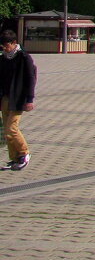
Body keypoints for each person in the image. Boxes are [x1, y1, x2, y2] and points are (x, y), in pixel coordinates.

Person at [0, 29, 36, 171]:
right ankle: (14, 158)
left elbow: (31, 78)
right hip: (5, 97)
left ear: (14, 43)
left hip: (19, 97)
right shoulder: (3, 58)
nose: (4, 48)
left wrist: (29, 99)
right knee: (6, 131)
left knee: (11, 128)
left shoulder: (24, 57)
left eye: (6, 45)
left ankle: (24, 153)